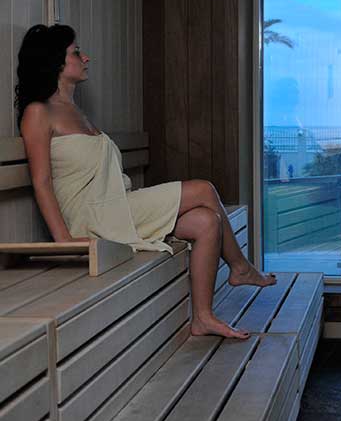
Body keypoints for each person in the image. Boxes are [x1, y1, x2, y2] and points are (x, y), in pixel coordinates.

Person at [15, 24, 276, 339]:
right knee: (204, 189)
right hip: (91, 217)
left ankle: (203, 317)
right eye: (76, 52)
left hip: (115, 207)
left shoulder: (75, 111)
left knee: (207, 222)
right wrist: (64, 240)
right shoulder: (38, 112)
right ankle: (240, 268)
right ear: (55, 60)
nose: (86, 58)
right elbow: (42, 181)